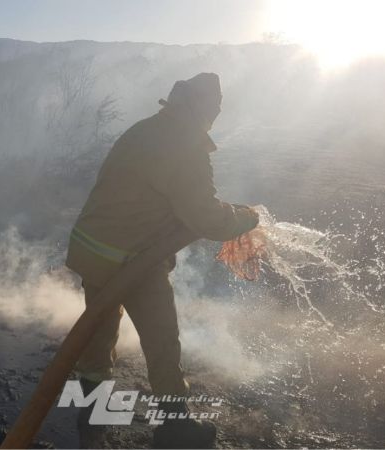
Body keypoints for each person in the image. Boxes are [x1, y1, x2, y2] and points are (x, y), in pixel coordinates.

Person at [66, 73, 259, 448]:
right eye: (214, 108)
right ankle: (175, 430)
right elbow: (204, 217)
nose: (214, 114)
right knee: (162, 342)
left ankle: (92, 423)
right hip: (133, 259)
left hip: (95, 249)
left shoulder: (147, 129)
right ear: (204, 108)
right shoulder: (185, 146)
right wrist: (248, 217)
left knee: (97, 336)